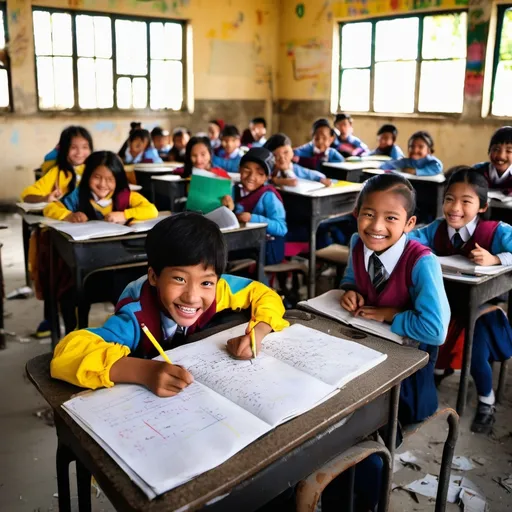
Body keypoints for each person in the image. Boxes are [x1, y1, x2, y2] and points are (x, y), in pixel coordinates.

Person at [50, 212, 289, 394]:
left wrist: (257, 333)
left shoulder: (217, 289)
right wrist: (144, 372)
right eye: (179, 279)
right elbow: (66, 354)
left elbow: (263, 294)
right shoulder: (135, 315)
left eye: (206, 282)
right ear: (154, 277)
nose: (192, 296)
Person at [332, 173, 449, 511]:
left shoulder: (421, 261)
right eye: (368, 214)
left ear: (410, 223)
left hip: (406, 373)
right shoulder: (357, 242)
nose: (376, 226)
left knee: (361, 429)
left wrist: (388, 315)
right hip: (363, 350)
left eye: (390, 218)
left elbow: (435, 329)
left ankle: (367, 488)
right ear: (357, 213)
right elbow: (352, 275)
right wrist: (351, 291)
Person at [408, 166, 512, 434]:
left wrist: (496, 258)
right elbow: (408, 240)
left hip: (484, 308)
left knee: (476, 346)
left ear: (482, 206)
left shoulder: (495, 231)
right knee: (420, 330)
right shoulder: (436, 229)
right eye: (449, 199)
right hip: (447, 306)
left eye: (466, 201)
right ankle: (423, 388)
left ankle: (486, 399)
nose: (455, 208)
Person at [43, 151, 158, 223]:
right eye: (97, 177)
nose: (103, 184)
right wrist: (68, 215)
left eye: (110, 179)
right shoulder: (77, 196)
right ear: (88, 176)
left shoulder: (126, 196)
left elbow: (152, 210)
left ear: (118, 180)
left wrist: (124, 215)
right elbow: (49, 208)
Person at [222, 147, 287, 265]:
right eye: (246, 169)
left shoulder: (269, 196)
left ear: (266, 177)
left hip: (267, 249)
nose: (252, 176)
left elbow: (281, 228)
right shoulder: (233, 190)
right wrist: (227, 208)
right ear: (239, 169)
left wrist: (253, 218)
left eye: (260, 173)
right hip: (241, 243)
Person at [22, 126, 93, 204]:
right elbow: (27, 195)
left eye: (85, 147)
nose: (80, 152)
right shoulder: (57, 172)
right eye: (73, 147)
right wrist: (45, 198)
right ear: (64, 149)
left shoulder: (97, 169)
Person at [264, 133, 331, 187]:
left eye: (286, 152)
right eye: (275, 155)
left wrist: (321, 179)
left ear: (292, 153)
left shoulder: (294, 168)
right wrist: (276, 181)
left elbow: (310, 174)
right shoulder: (268, 171)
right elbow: (293, 182)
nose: (282, 158)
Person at [473, 126, 512, 192]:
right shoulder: (477, 171)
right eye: (496, 149)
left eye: (509, 151)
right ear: (489, 151)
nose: (501, 156)